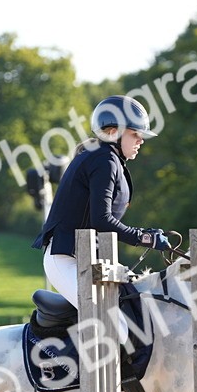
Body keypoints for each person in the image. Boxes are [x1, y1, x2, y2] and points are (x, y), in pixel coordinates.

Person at [31, 95, 173, 316]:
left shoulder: (109, 158)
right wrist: (144, 238)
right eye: (135, 134)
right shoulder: (103, 160)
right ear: (114, 132)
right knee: (113, 322)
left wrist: (144, 234)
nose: (141, 140)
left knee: (136, 313)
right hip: (66, 259)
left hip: (90, 261)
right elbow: (102, 220)